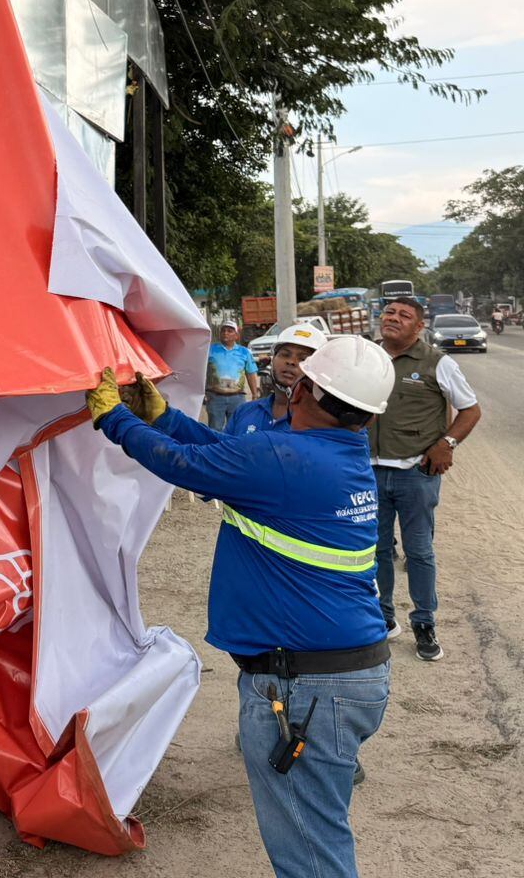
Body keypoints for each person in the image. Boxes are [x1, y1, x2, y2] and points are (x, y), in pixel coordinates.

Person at [88, 334, 395, 878]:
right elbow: (226, 457)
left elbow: (184, 465)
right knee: (320, 823)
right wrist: (166, 419)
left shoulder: (281, 456)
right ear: (366, 418)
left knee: (311, 852)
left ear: (299, 389)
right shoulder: (338, 456)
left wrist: (114, 417)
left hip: (303, 690)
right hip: (350, 676)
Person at [371, 296, 482, 662]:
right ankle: (384, 618)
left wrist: (447, 443)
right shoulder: (367, 357)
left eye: (404, 315)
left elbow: (470, 409)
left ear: (419, 327)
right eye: (389, 313)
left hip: (416, 474)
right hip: (369, 471)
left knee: (418, 552)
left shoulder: (438, 363)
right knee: (377, 551)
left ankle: (423, 622)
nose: (393, 318)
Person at [227, 322, 324, 436]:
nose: (291, 361)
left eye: (303, 358)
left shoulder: (321, 425)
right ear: (273, 360)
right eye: (285, 354)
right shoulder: (244, 412)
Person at [206, 319, 260, 431]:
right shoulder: (210, 350)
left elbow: (250, 373)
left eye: (230, 331)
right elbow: (201, 372)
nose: (225, 333)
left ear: (236, 335)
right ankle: (216, 448)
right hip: (215, 397)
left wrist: (255, 394)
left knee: (236, 428)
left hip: (237, 398)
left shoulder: (244, 352)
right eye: (223, 330)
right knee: (215, 429)